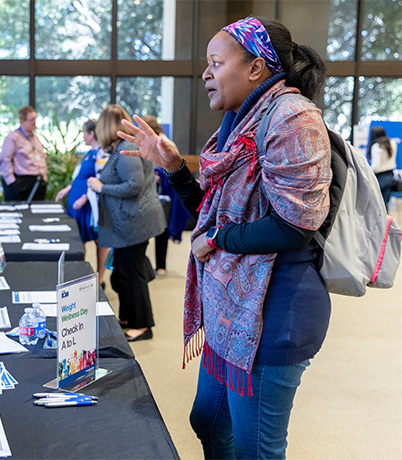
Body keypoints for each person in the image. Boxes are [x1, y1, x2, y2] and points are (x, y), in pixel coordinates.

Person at [118, 16, 332, 458]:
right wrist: (174, 168)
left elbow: (297, 224)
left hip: (274, 313)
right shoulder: (240, 122)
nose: (205, 74)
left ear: (256, 67)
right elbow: (211, 212)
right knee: (209, 422)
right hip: (233, 311)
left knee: (257, 449)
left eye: (216, 62)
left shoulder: (293, 117)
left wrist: (217, 240)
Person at [86, 104, 165, 342]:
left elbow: (134, 186)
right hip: (127, 222)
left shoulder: (127, 148)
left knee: (132, 273)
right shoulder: (122, 147)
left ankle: (142, 325)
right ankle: (129, 317)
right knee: (121, 273)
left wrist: (102, 187)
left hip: (134, 222)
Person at [54, 119, 110, 284]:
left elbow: (100, 179)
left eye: (84, 132)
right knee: (80, 240)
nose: (83, 136)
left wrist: (84, 198)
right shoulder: (89, 153)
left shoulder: (101, 153)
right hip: (78, 204)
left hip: (89, 206)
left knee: (99, 240)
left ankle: (99, 278)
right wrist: (68, 189)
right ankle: (81, 275)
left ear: (92, 133)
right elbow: (81, 178)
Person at [142, 115, 190, 276]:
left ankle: (160, 265)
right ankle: (156, 265)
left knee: (161, 227)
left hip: (163, 191)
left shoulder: (164, 142)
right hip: (152, 189)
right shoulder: (156, 140)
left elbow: (170, 167)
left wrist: (158, 176)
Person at [0, 105, 48, 201]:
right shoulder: (13, 137)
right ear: (22, 121)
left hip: (37, 182)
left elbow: (41, 157)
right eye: (32, 119)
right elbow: (5, 159)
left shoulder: (35, 138)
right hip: (21, 183)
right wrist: (11, 181)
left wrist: (44, 177)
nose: (35, 122)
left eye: (35, 118)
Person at [367, 125, 398, 210]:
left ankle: (377, 223)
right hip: (390, 175)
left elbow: (376, 166)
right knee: (385, 203)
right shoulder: (392, 143)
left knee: (376, 204)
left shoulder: (376, 146)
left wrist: (368, 172)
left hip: (380, 177)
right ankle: (386, 222)